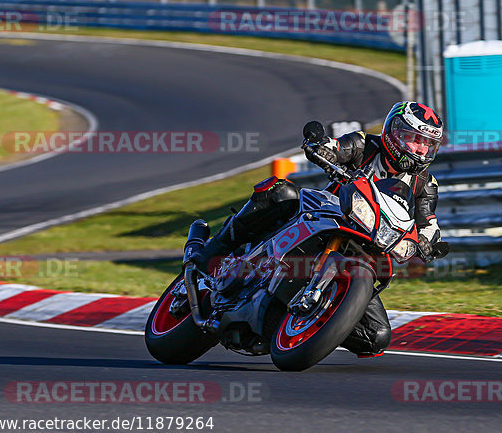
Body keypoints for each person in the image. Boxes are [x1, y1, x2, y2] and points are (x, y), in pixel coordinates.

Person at [186, 101, 450, 358]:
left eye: (427, 143)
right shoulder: (365, 144)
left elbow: (428, 222)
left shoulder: (426, 184)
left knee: (376, 336)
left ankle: (305, 325)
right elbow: (335, 148)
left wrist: (427, 242)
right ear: (393, 133)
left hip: (368, 248)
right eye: (413, 139)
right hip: (327, 216)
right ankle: (212, 252)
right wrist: (321, 148)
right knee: (280, 193)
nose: (420, 148)